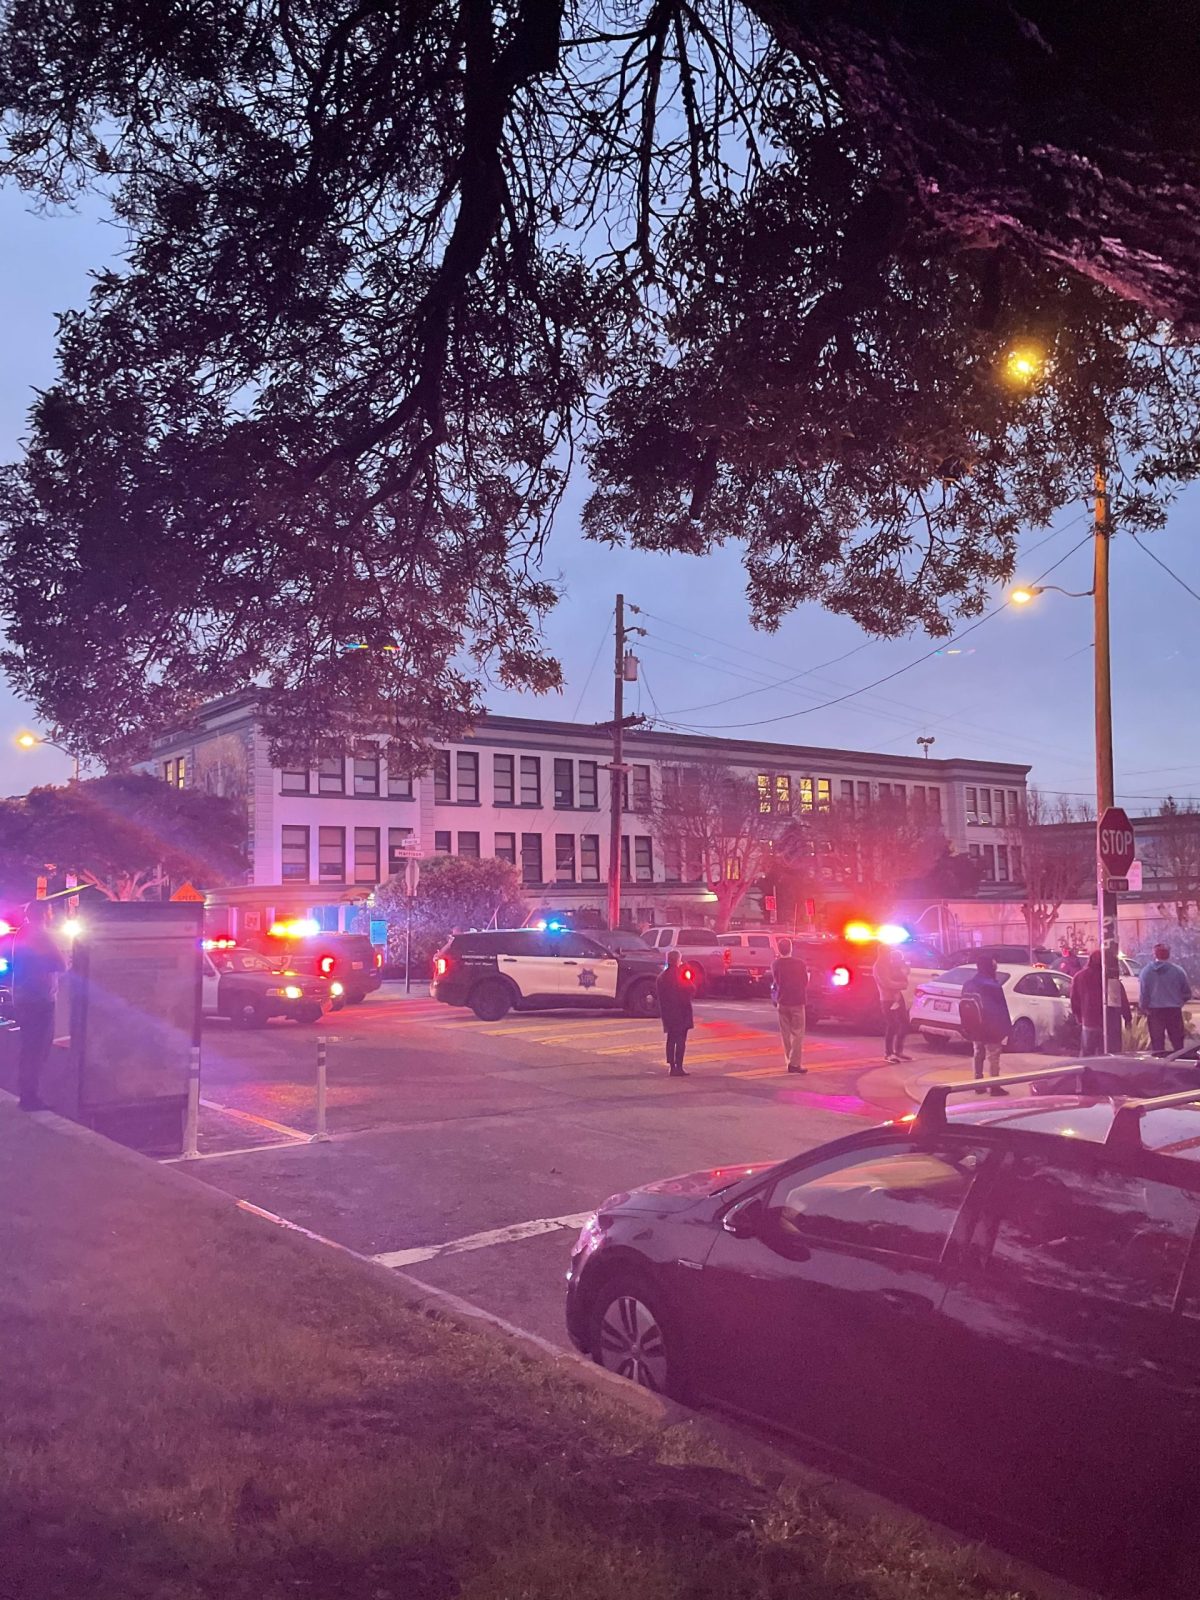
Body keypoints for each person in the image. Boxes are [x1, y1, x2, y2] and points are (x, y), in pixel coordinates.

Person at [12, 903, 65, 1111]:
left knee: (29, 1048)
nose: (52, 914)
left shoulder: (22, 933)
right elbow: (60, 964)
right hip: (39, 999)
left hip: (25, 997)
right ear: (44, 913)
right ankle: (30, 1096)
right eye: (50, 910)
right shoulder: (40, 935)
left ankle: (27, 1092)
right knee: (37, 1048)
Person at [960, 955, 1012, 1095]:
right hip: (991, 1028)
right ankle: (994, 1086)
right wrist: (1006, 1028)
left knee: (978, 1054)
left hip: (975, 1027)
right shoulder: (992, 985)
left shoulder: (969, 984)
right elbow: (1000, 1008)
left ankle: (978, 1084)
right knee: (993, 1056)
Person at [1071, 948, 1131, 1057]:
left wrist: (1079, 1016)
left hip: (1089, 1020)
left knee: (1087, 1053)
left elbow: (1074, 1000)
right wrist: (1127, 1017)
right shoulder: (1110, 977)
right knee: (1107, 1055)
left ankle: (1085, 1073)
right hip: (1109, 1021)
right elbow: (1121, 998)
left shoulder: (1079, 977)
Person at [1139, 944, 1192, 1055]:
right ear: (1168, 955)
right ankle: (1179, 1064)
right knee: (1177, 1042)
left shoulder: (1146, 972)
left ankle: (1159, 1066)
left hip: (1155, 1011)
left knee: (1157, 1042)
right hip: (1173, 1010)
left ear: (1154, 954)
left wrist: (1144, 1008)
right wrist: (1179, 1002)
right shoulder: (1178, 971)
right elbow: (1187, 993)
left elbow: (1144, 994)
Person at [770, 936, 809, 1074]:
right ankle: (794, 1063)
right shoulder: (800, 963)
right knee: (798, 1033)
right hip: (797, 1001)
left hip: (782, 1000)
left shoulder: (776, 964)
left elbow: (776, 981)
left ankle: (789, 1060)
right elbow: (805, 981)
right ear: (791, 948)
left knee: (785, 1034)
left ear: (779, 950)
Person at [655, 949, 694, 1077]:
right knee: (681, 1040)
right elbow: (690, 989)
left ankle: (672, 1066)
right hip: (681, 1012)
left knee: (671, 1039)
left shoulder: (662, 976)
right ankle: (679, 1066)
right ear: (677, 960)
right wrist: (687, 975)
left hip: (668, 1013)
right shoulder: (679, 975)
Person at [873, 943, 910, 1065]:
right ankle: (888, 1053)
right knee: (892, 1025)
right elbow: (886, 983)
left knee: (904, 1023)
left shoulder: (891, 964)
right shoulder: (879, 966)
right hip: (887, 1000)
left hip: (898, 997)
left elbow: (903, 975)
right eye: (887, 951)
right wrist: (901, 985)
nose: (889, 954)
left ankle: (898, 1051)